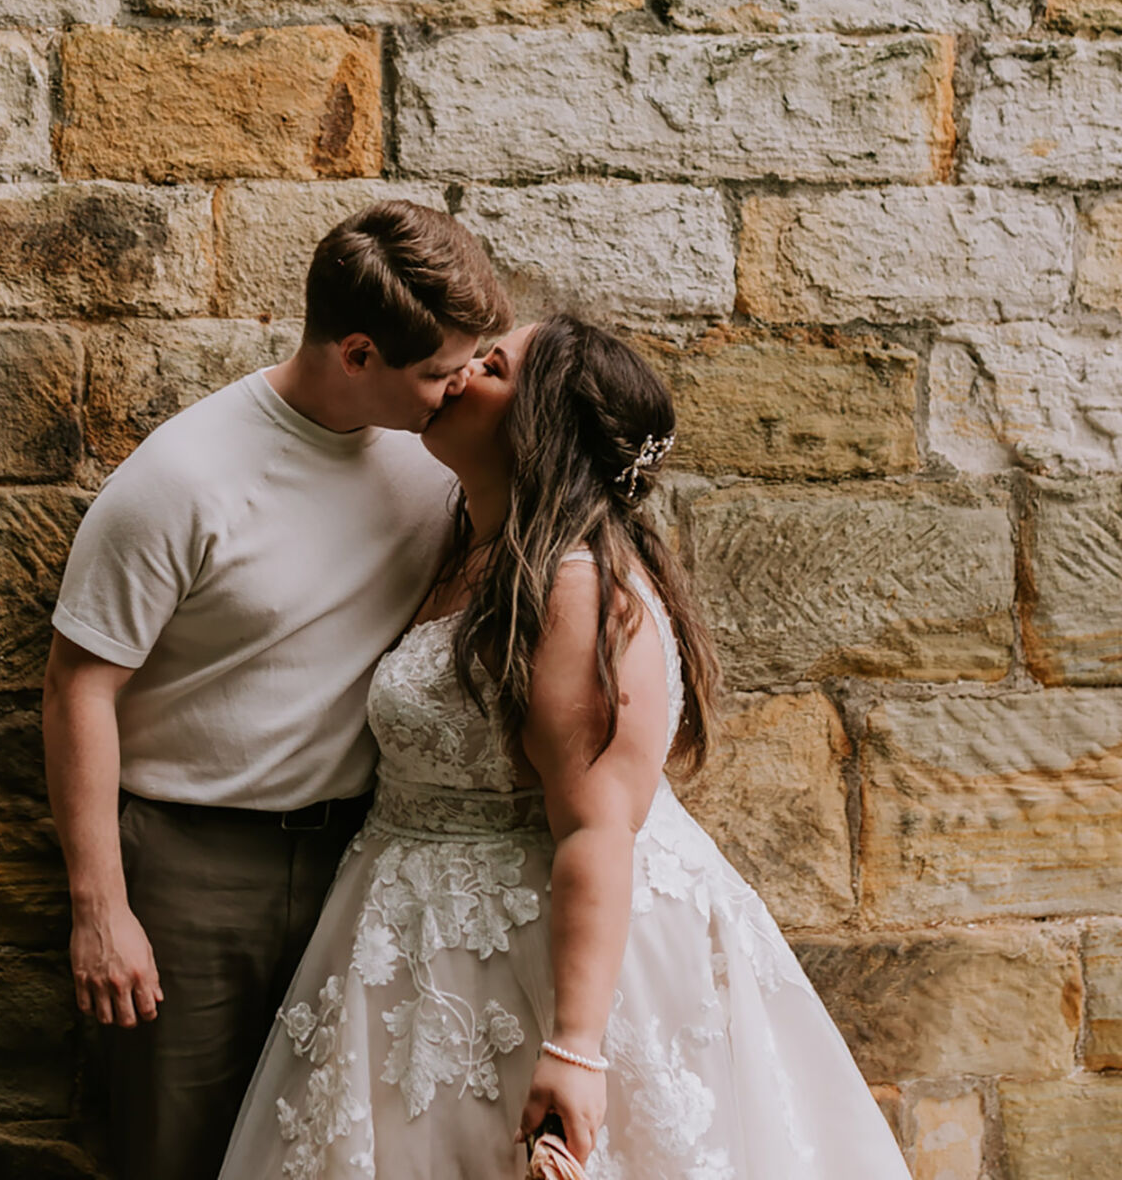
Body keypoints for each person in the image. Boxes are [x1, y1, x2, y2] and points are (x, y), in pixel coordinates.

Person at [218, 315, 914, 1179]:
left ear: (537, 425)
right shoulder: (470, 544)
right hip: (420, 946)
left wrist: (577, 1048)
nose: (463, 371)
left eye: (495, 367)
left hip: (540, 957)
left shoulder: (575, 588)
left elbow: (594, 827)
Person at [41, 200, 513, 1180]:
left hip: (366, 860)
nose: (459, 388)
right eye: (437, 373)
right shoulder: (180, 480)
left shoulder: (439, 459)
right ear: (356, 354)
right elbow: (77, 686)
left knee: (332, 1148)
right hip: (191, 867)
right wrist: (101, 907)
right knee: (172, 1150)